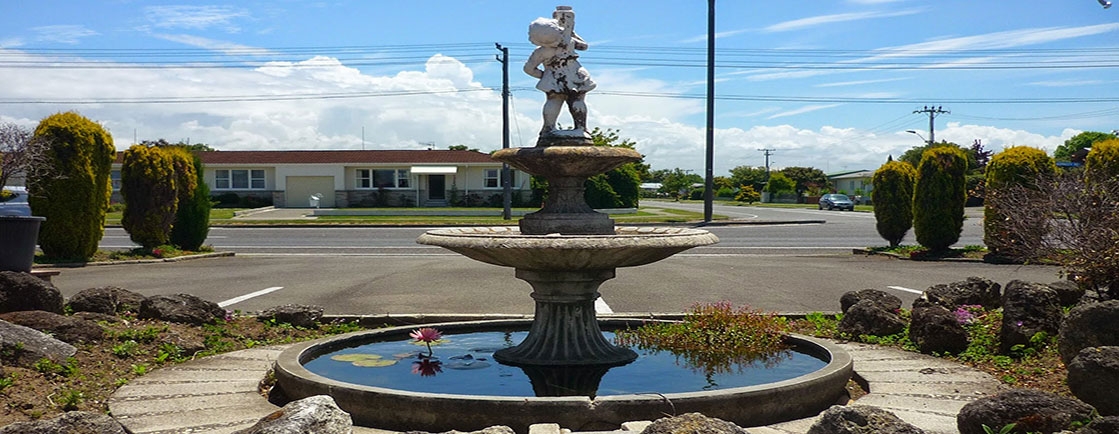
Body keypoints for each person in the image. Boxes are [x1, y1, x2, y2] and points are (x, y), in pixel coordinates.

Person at [524, 6, 596, 138]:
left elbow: (528, 69)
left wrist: (543, 76)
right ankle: (581, 128)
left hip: (553, 78)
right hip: (575, 76)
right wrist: (570, 32)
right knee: (577, 100)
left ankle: (548, 128)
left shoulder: (541, 52)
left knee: (553, 101)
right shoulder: (569, 42)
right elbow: (584, 46)